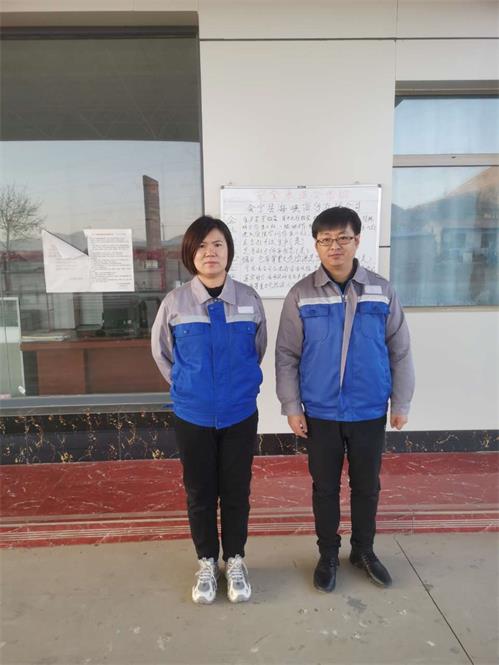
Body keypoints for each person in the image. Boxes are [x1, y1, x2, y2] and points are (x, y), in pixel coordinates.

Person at [275, 206, 415, 592]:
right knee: (325, 487)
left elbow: (400, 349)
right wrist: (291, 406)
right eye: (326, 240)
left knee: (367, 486)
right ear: (316, 245)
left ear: (357, 240)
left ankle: (363, 550)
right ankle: (328, 554)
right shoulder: (301, 294)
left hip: (369, 409)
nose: (334, 246)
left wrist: (401, 402)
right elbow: (286, 354)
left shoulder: (382, 291)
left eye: (342, 238)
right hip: (320, 412)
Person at [151, 216, 267, 604]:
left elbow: (258, 350)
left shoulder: (249, 299)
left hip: (239, 414)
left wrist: (237, 386)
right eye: (201, 246)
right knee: (200, 492)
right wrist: (189, 386)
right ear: (190, 254)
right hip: (193, 415)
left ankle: (235, 560)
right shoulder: (175, 303)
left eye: (217, 244)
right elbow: (163, 354)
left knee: (236, 490)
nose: (210, 252)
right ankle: (206, 561)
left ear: (228, 250)